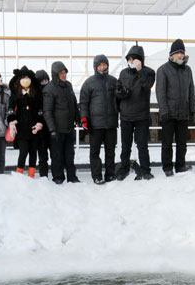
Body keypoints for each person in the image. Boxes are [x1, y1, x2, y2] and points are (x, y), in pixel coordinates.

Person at [156, 39, 195, 177]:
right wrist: (164, 110)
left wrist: (192, 109)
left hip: (183, 113)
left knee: (182, 143)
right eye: (177, 53)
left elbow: (191, 91)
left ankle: (180, 166)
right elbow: (160, 92)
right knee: (167, 143)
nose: (180, 55)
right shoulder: (163, 70)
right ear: (172, 54)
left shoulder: (188, 70)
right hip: (169, 113)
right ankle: (167, 167)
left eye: (182, 53)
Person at [115, 44, 156, 181]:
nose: (131, 62)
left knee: (142, 146)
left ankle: (146, 170)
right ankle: (124, 169)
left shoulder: (149, 72)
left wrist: (140, 70)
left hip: (141, 116)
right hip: (126, 116)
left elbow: (147, 85)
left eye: (134, 59)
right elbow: (117, 90)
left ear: (140, 60)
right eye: (130, 59)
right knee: (125, 146)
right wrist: (121, 93)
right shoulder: (123, 73)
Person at [80, 54, 119, 184]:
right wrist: (84, 118)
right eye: (100, 65)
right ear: (95, 66)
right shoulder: (89, 83)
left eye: (105, 64)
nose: (102, 67)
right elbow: (83, 103)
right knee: (95, 151)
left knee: (110, 151)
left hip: (111, 123)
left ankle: (110, 174)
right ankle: (96, 176)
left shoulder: (113, 81)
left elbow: (120, 99)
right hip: (95, 125)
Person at [42, 61, 80, 184]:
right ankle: (58, 177)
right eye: (61, 73)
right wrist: (52, 129)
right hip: (57, 130)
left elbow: (74, 103)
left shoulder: (68, 85)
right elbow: (47, 111)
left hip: (69, 128)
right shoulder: (49, 89)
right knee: (57, 155)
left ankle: (72, 177)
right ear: (55, 74)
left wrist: (77, 118)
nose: (64, 75)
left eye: (65, 72)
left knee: (70, 154)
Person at [8, 66, 46, 178]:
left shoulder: (37, 94)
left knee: (33, 153)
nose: (25, 80)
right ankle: (19, 176)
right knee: (23, 152)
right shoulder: (15, 94)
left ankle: (31, 176)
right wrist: (12, 122)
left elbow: (41, 110)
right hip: (21, 128)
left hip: (35, 128)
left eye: (27, 77)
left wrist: (40, 122)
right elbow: (10, 110)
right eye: (23, 77)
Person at [34, 69, 52, 178]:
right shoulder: (35, 95)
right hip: (40, 130)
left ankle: (56, 175)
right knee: (42, 156)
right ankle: (43, 176)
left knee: (55, 154)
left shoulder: (52, 92)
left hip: (51, 128)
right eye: (42, 81)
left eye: (46, 80)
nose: (44, 83)